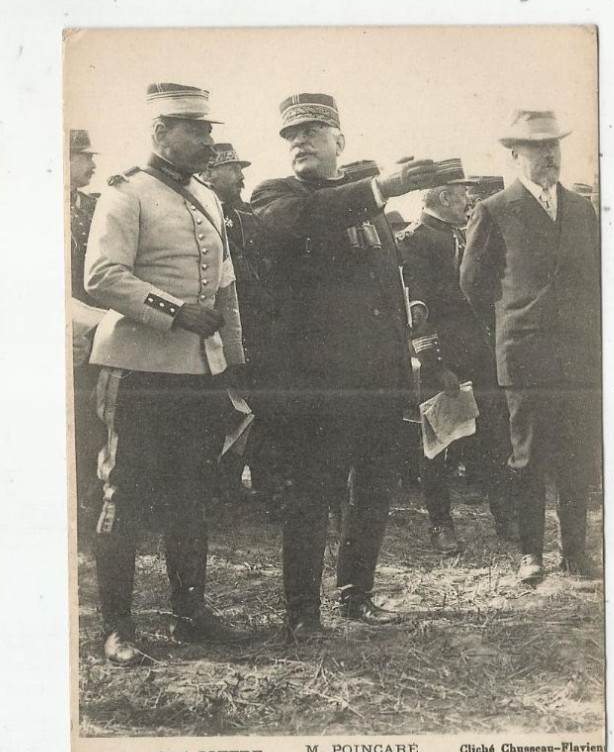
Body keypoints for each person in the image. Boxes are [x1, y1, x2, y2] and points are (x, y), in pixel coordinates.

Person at [251, 91, 451, 638]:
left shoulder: (366, 204)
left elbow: (389, 287)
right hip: (317, 385)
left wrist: (402, 366)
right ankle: (302, 613)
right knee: (313, 496)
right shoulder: (276, 195)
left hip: (379, 379)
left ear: (339, 140)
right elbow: (309, 218)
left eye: (311, 134)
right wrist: (383, 187)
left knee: (372, 492)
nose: (299, 144)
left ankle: (356, 596)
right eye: (291, 136)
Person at [84, 82, 249, 665]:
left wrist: (233, 356)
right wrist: (174, 311)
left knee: (191, 496)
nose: (208, 140)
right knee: (123, 497)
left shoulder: (206, 196)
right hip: (137, 369)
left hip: (197, 372)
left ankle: (191, 614)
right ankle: (117, 628)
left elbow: (224, 282)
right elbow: (101, 275)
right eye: (195, 130)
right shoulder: (126, 194)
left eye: (208, 130)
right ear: (161, 133)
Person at [460, 109, 602, 584]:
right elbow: (473, 284)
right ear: (515, 154)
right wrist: (511, 324)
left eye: (554, 147)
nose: (548, 156)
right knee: (528, 455)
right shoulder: (495, 209)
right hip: (525, 354)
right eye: (537, 148)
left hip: (579, 355)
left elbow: (596, 279)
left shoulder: (582, 209)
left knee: (578, 455)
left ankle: (575, 551)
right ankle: (530, 553)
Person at [397, 160, 515, 555]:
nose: (469, 200)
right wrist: (434, 365)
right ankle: (440, 524)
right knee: (438, 444)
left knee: (496, 437)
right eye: (463, 194)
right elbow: (416, 310)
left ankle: (504, 515)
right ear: (445, 196)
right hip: (444, 361)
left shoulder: (464, 234)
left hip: (481, 355)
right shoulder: (416, 240)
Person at [199, 143, 276, 499]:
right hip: (213, 326)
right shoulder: (199, 212)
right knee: (217, 405)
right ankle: (216, 484)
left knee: (257, 403)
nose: (241, 177)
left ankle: (253, 483)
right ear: (210, 173)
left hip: (255, 327)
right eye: (233, 169)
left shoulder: (248, 218)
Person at [69, 130, 105, 528]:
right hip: (63, 323)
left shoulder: (94, 207)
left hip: (97, 323)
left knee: (95, 414)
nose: (91, 164)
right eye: (82, 156)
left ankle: (91, 504)